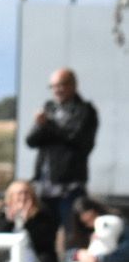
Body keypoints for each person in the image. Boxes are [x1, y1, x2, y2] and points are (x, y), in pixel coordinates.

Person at [25, 68, 98, 242]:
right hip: (45, 189)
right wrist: (40, 125)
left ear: (73, 85)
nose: (57, 90)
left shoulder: (85, 111)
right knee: (43, 239)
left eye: (61, 85)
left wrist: (49, 125)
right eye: (53, 86)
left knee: (74, 239)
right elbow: (30, 141)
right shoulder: (49, 109)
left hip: (70, 189)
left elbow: (77, 139)